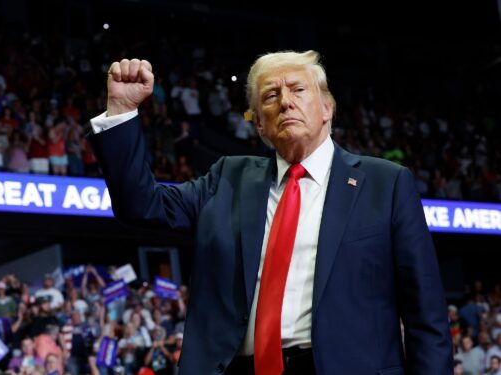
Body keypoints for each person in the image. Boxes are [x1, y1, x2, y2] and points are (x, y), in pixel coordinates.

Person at [87, 52, 452, 374]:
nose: (286, 102)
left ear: (327, 108)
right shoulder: (226, 179)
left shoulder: (385, 184)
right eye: (271, 96)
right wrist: (121, 113)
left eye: (297, 89)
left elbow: (426, 318)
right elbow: (142, 206)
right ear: (259, 123)